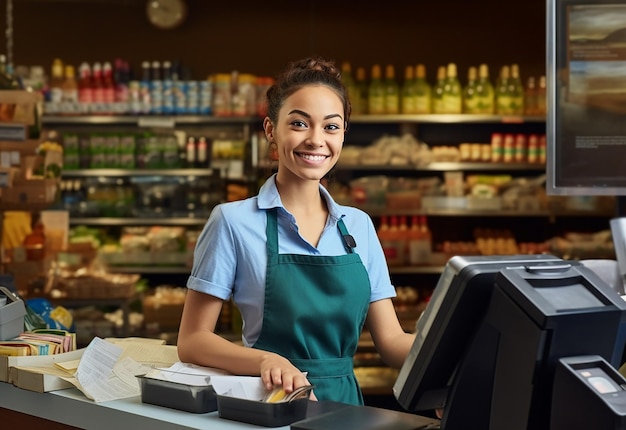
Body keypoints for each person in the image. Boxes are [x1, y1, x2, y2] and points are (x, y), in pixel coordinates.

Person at [177, 56, 415, 406]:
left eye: (331, 127)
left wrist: (451, 362)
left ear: (344, 133)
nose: (316, 140)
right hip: (272, 402)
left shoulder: (358, 225)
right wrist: (266, 360)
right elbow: (193, 340)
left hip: (345, 407)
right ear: (271, 130)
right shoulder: (233, 221)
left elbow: (392, 342)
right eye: (300, 123)